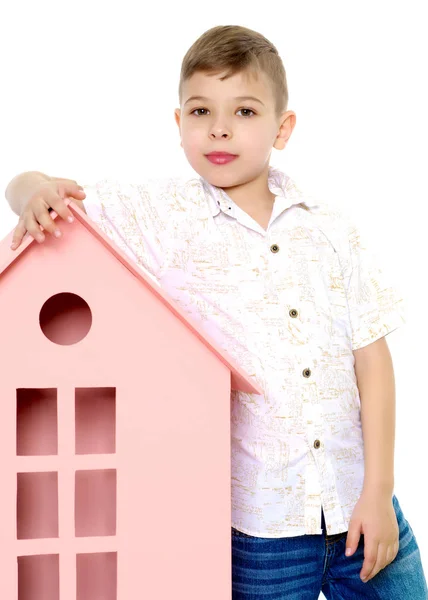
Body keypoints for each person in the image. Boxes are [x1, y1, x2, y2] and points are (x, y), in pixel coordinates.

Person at [5, 24, 427, 600]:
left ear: (283, 129)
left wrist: (379, 491)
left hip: (363, 509)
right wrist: (28, 190)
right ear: (179, 124)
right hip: (260, 530)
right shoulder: (162, 218)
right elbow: (41, 187)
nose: (220, 128)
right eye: (201, 110)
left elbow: (372, 361)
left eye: (245, 111)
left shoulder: (330, 227)